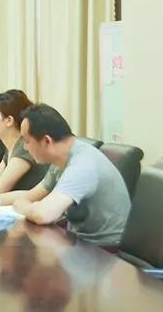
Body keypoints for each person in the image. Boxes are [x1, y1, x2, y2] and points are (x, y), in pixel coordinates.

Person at [11, 103, 131, 247]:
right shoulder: (60, 159)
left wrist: (24, 206)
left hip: (103, 251)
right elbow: (32, 196)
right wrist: (23, 204)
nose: (25, 147)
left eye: (27, 141)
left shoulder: (83, 165)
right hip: (78, 241)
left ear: (47, 141)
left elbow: (42, 214)